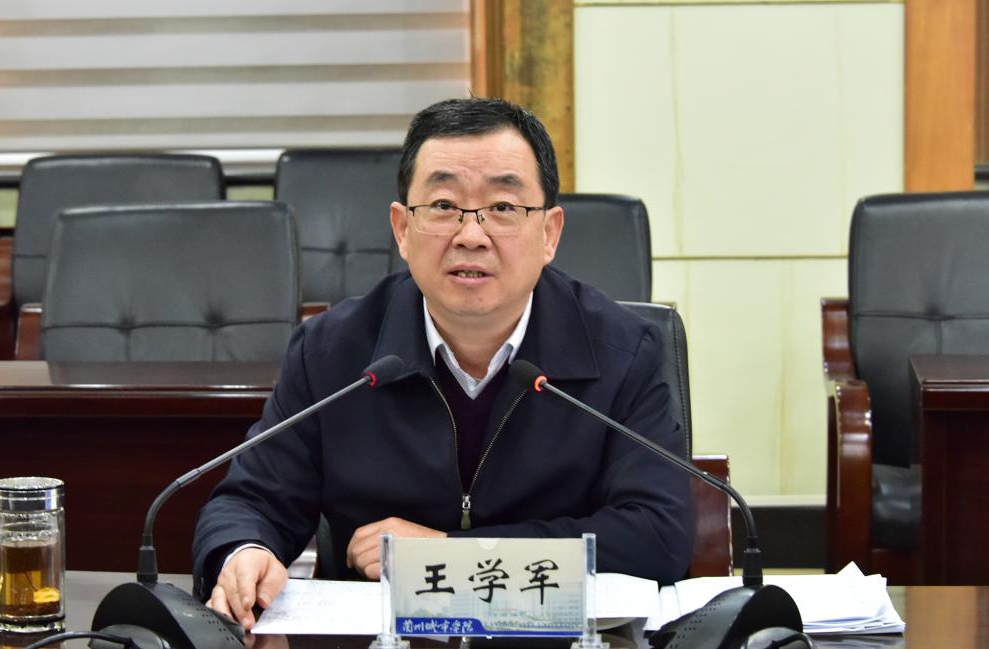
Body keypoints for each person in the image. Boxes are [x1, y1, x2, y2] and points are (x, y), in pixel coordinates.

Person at [193, 97, 692, 630]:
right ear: (402, 229)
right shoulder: (332, 353)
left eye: (503, 207)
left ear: (549, 233)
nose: (470, 235)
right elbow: (251, 501)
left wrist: (450, 555)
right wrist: (242, 552)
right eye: (443, 205)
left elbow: (657, 534)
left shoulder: (623, 352)